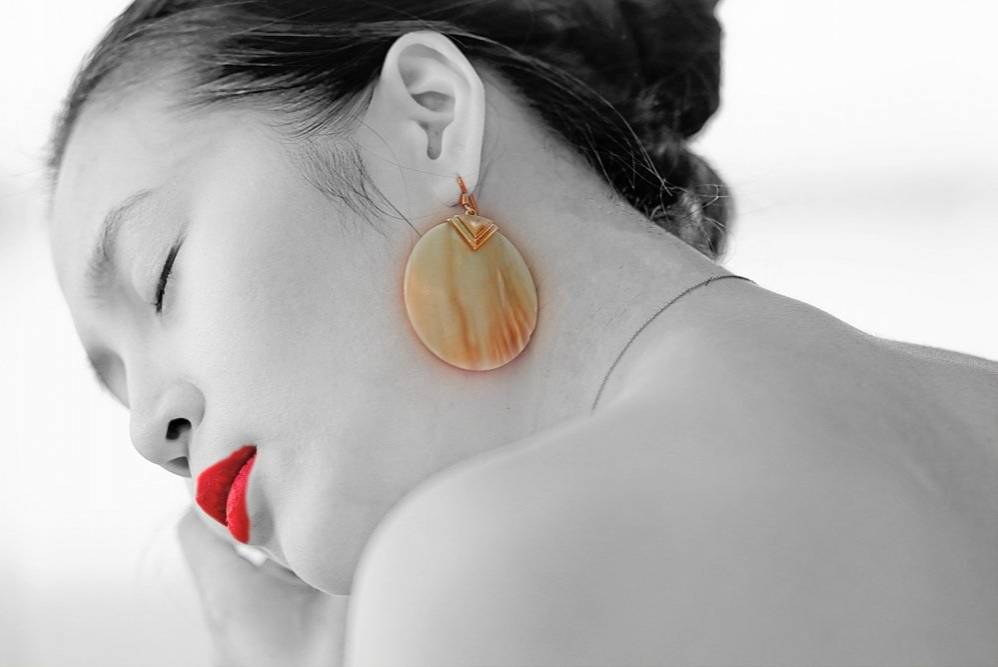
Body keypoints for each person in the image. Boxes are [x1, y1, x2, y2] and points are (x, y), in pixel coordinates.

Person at [43, 0, 998, 665]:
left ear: (430, 117)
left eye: (160, 275)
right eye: (119, 381)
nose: (149, 432)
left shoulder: (479, 569)